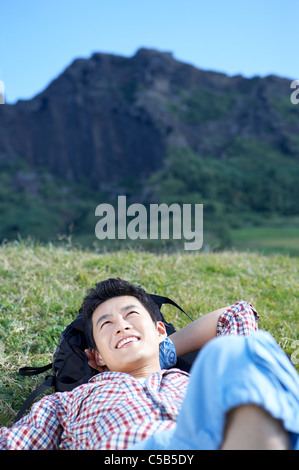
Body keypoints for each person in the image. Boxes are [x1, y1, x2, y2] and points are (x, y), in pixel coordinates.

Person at [0, 278, 298, 450]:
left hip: (211, 440)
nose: (121, 326)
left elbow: (237, 315)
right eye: (106, 325)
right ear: (97, 356)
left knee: (241, 350)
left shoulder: (195, 381)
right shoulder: (68, 403)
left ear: (159, 330)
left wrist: (162, 351)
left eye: (131, 316)